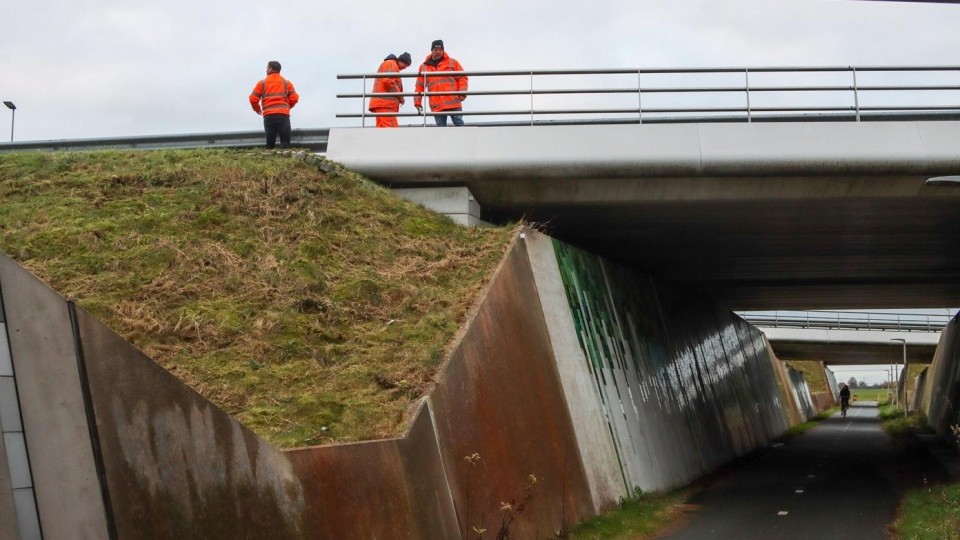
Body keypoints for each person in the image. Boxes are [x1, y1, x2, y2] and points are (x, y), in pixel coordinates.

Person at [414, 40, 468, 126]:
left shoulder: (453, 62)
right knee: (440, 129)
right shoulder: (424, 67)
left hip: (453, 102)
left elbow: (462, 77)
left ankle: (465, 140)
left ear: (443, 50)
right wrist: (417, 102)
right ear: (432, 51)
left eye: (440, 49)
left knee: (459, 124)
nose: (438, 51)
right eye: (436, 49)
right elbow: (419, 86)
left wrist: (462, 91)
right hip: (437, 105)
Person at [249, 61, 300, 148]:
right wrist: (286, 107)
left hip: (269, 116)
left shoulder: (262, 83)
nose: (266, 70)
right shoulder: (286, 83)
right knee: (285, 143)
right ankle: (284, 159)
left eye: (267, 68)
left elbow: (253, 99)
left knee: (270, 144)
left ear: (270, 69)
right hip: (283, 116)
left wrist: (257, 109)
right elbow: (294, 98)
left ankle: (271, 159)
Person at [369, 52, 412, 128]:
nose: (405, 67)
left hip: (381, 103)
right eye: (405, 64)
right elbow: (388, 81)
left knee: (382, 131)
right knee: (392, 131)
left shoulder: (390, 64)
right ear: (400, 60)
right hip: (385, 104)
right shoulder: (392, 64)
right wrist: (400, 96)